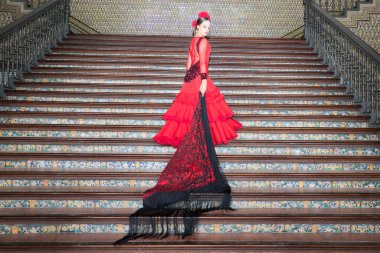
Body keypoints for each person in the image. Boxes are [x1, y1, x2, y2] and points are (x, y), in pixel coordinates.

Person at [114, 11, 242, 244]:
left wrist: (189, 82)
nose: (207, 31)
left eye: (209, 28)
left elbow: (187, 63)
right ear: (197, 28)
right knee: (201, 116)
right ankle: (199, 142)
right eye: (205, 27)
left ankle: (198, 138)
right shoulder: (202, 42)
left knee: (196, 117)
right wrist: (203, 82)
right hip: (199, 81)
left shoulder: (193, 41)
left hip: (189, 81)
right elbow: (203, 63)